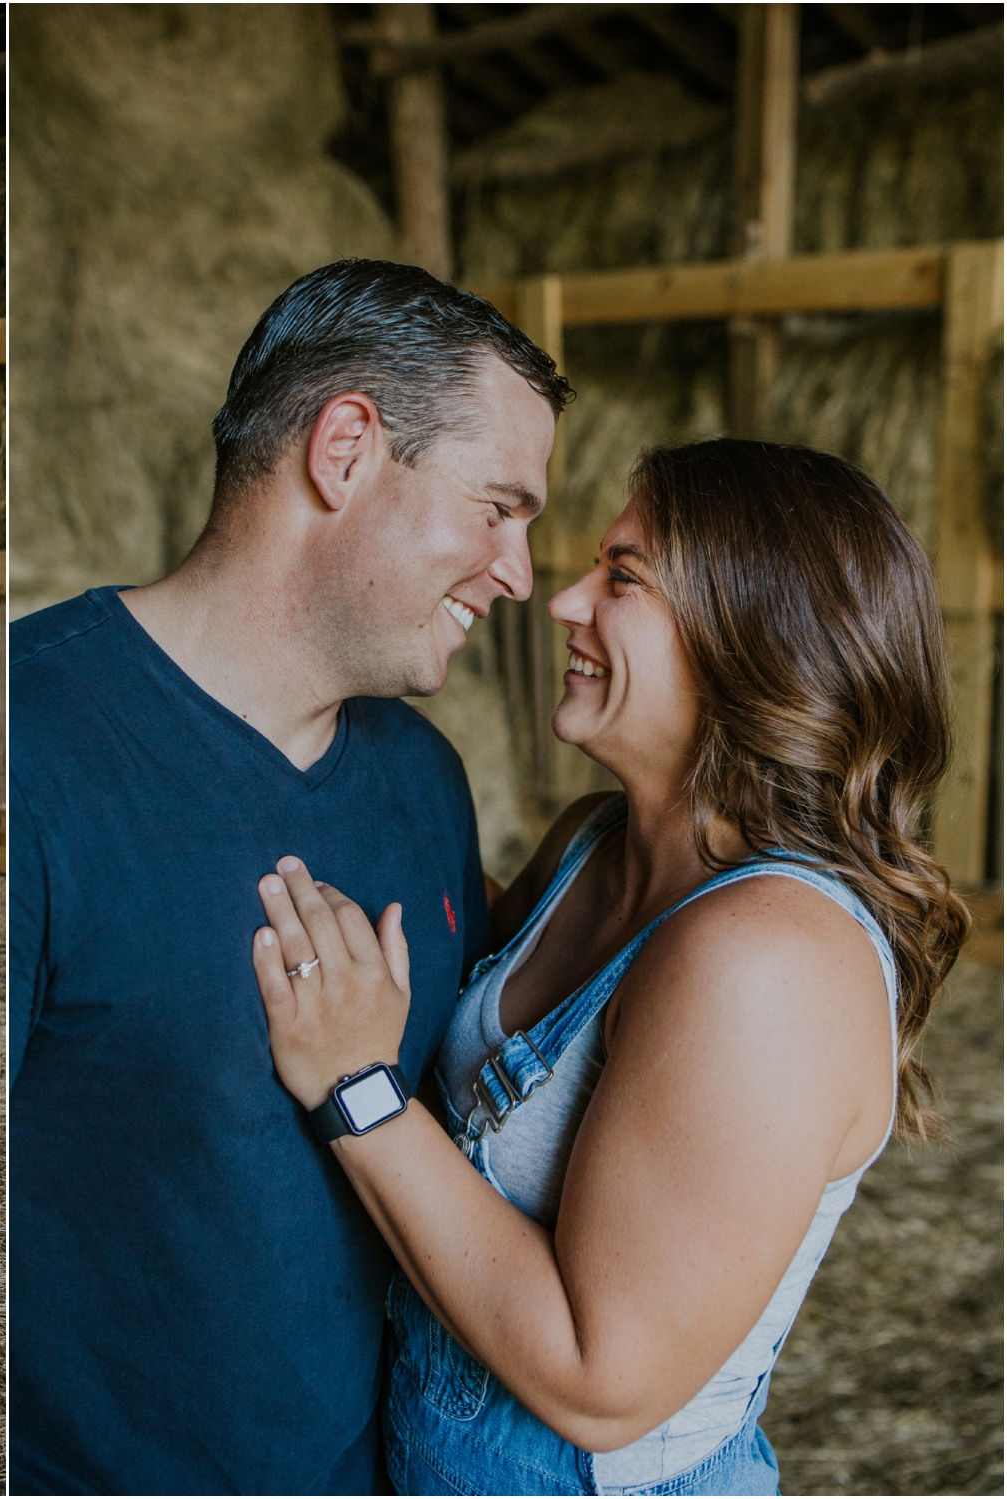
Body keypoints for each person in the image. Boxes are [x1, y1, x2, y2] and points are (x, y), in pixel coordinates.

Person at [251, 440, 969, 1496]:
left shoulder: (768, 960)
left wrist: (356, 1091)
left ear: (751, 641)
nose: (562, 600)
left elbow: (600, 1378)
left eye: (621, 578)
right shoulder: (595, 839)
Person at [9, 259, 573, 1493]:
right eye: (497, 506)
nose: (520, 574)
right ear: (345, 449)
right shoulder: (31, 747)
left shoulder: (426, 777)